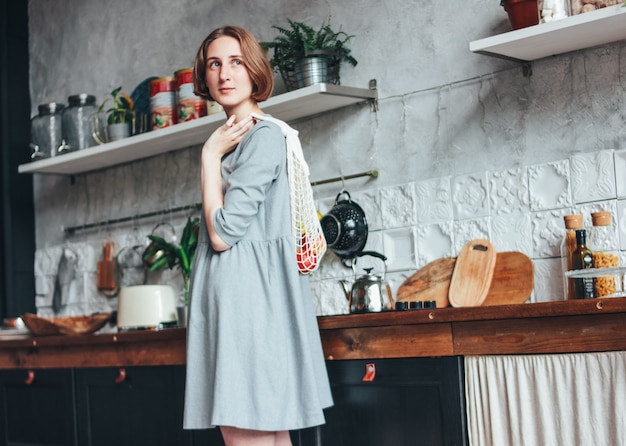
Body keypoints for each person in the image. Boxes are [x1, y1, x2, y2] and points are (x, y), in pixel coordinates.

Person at [182, 25, 333, 445]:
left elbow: (223, 235)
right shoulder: (241, 136)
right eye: (215, 64)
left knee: (245, 432)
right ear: (205, 75)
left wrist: (208, 157)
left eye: (235, 61)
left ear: (253, 70)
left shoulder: (262, 136)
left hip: (247, 304)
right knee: (265, 432)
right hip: (246, 300)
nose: (224, 73)